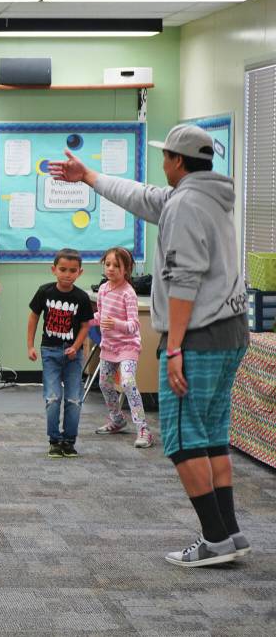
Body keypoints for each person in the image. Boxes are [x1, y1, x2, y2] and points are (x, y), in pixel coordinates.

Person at [49, 123, 250, 567]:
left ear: (178, 161)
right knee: (213, 436)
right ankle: (230, 533)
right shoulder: (207, 196)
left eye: (165, 157)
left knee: (180, 439)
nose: (162, 165)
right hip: (231, 330)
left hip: (199, 335)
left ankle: (214, 539)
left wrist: (174, 346)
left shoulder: (186, 206)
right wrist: (90, 177)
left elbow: (183, 279)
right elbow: (142, 196)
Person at [27, 248, 94, 458]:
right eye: (63, 269)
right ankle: (54, 440)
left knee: (74, 399)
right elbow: (33, 318)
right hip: (49, 352)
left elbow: (86, 326)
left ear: (79, 273)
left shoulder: (82, 298)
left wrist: (76, 346)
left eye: (73, 271)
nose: (67, 274)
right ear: (53, 269)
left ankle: (69, 441)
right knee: (53, 397)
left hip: (73, 356)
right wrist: (30, 345)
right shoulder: (44, 292)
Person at [91, 246, 154, 448]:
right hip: (108, 347)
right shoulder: (102, 289)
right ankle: (117, 420)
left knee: (127, 383)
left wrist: (116, 324)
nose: (110, 269)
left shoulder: (128, 293)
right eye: (107, 264)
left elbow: (134, 325)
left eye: (116, 265)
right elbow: (101, 316)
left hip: (128, 347)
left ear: (126, 269)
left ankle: (143, 428)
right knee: (104, 384)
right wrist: (87, 320)